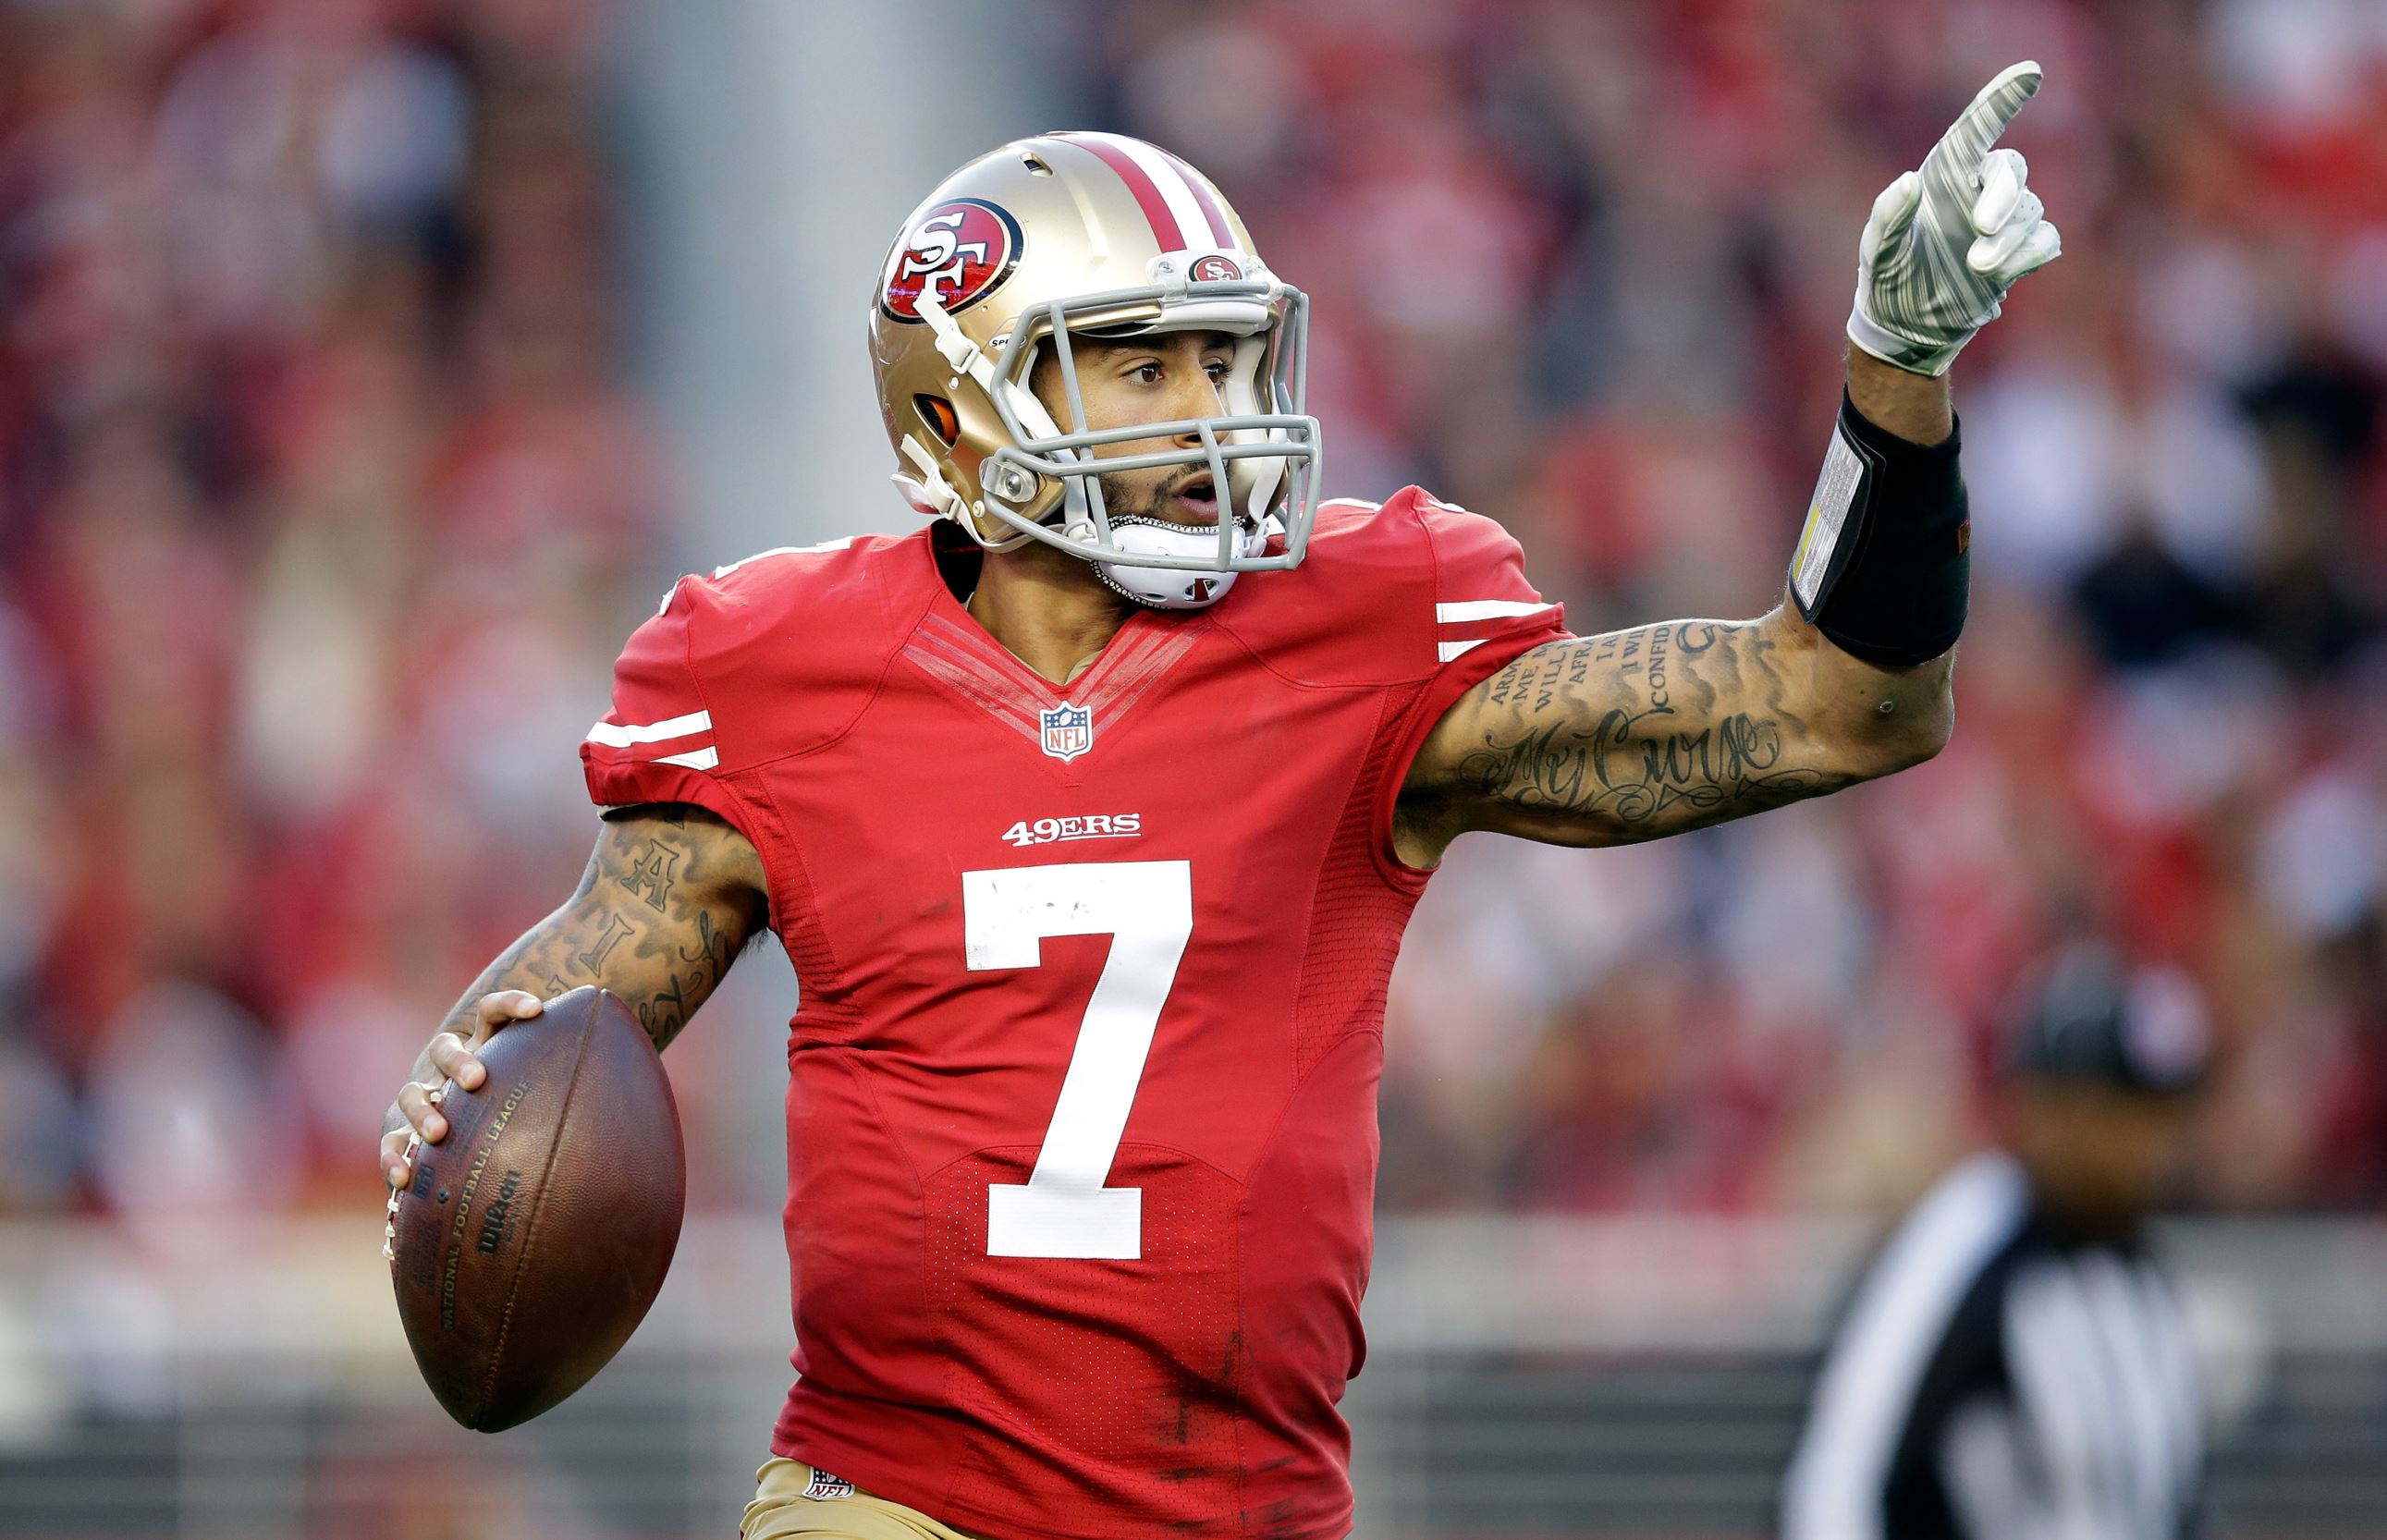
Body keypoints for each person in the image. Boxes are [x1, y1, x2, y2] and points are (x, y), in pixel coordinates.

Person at [380, 66, 2063, 1540]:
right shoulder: (775, 668)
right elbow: (559, 1026)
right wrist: (451, 1096)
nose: (1209, 415)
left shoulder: (1359, 629)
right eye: (1140, 367)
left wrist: (1896, 373)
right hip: (892, 1497)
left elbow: (1841, 703)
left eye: (1222, 357)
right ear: (955, 414)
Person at [1780, 943, 2213, 1540]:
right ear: (2046, 1107)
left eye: (2163, 1115)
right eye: (2123, 1112)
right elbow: (1847, 1475)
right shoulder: (1973, 1239)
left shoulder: (2142, 1273)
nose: (2152, 1146)